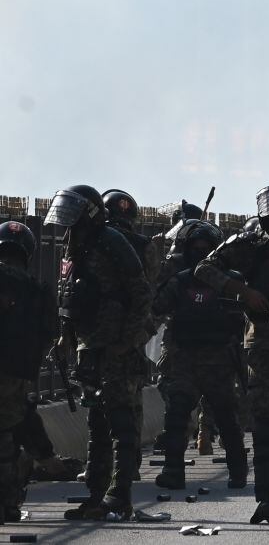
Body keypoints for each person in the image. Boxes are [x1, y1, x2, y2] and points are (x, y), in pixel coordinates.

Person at [196, 183, 269, 524]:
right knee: (264, 422)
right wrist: (243, 291)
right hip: (261, 342)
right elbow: (205, 269)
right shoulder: (248, 244)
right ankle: (267, 497)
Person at [47, 185, 153, 521]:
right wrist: (65, 338)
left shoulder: (112, 242)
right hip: (89, 348)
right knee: (97, 424)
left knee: (122, 425)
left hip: (116, 348)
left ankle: (119, 496)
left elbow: (141, 295)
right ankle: (95, 496)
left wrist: (129, 340)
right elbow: (68, 297)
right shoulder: (74, 244)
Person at [152, 221, 248, 490]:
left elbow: (244, 318)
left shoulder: (231, 281)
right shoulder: (182, 280)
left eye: (206, 248)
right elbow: (157, 306)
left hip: (218, 359)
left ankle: (238, 472)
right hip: (186, 359)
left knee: (227, 418)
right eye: (197, 248)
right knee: (177, 415)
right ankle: (174, 471)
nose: (201, 252)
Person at [0, 221, 57, 524]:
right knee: (7, 436)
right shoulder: (37, 290)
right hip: (16, 374)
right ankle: (9, 504)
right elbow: (51, 333)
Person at [102, 188, 160, 478]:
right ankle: (128, 464)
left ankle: (112, 468)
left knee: (102, 405)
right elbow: (151, 287)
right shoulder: (143, 244)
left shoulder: (96, 242)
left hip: (103, 332)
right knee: (131, 399)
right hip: (133, 332)